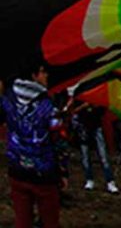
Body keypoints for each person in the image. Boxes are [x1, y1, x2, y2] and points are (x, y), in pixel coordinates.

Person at [0, 65, 66, 228]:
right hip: (43, 172)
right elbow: (58, 140)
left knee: (22, 221)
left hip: (17, 168)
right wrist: (63, 171)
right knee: (50, 221)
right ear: (33, 75)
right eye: (43, 72)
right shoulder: (49, 106)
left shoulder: (8, 98)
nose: (46, 76)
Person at [70, 97, 118, 193]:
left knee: (103, 155)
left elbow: (103, 110)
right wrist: (84, 106)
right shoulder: (80, 95)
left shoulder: (98, 95)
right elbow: (73, 111)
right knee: (85, 156)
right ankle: (89, 179)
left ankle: (110, 181)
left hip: (96, 126)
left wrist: (96, 106)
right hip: (83, 127)